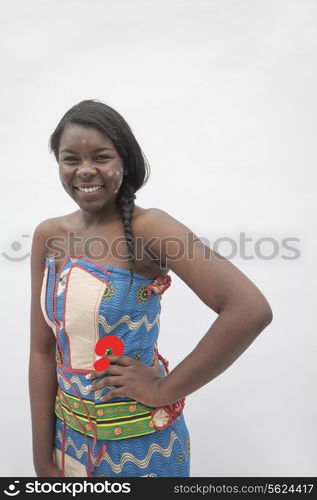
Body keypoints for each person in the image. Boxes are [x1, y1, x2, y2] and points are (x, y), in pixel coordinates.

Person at [28, 99, 273, 478]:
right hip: (67, 444)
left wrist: (163, 390)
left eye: (102, 157)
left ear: (124, 163)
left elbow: (249, 310)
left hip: (142, 449)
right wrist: (42, 459)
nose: (85, 170)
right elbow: (42, 350)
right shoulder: (50, 235)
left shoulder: (149, 228)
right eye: (71, 158)